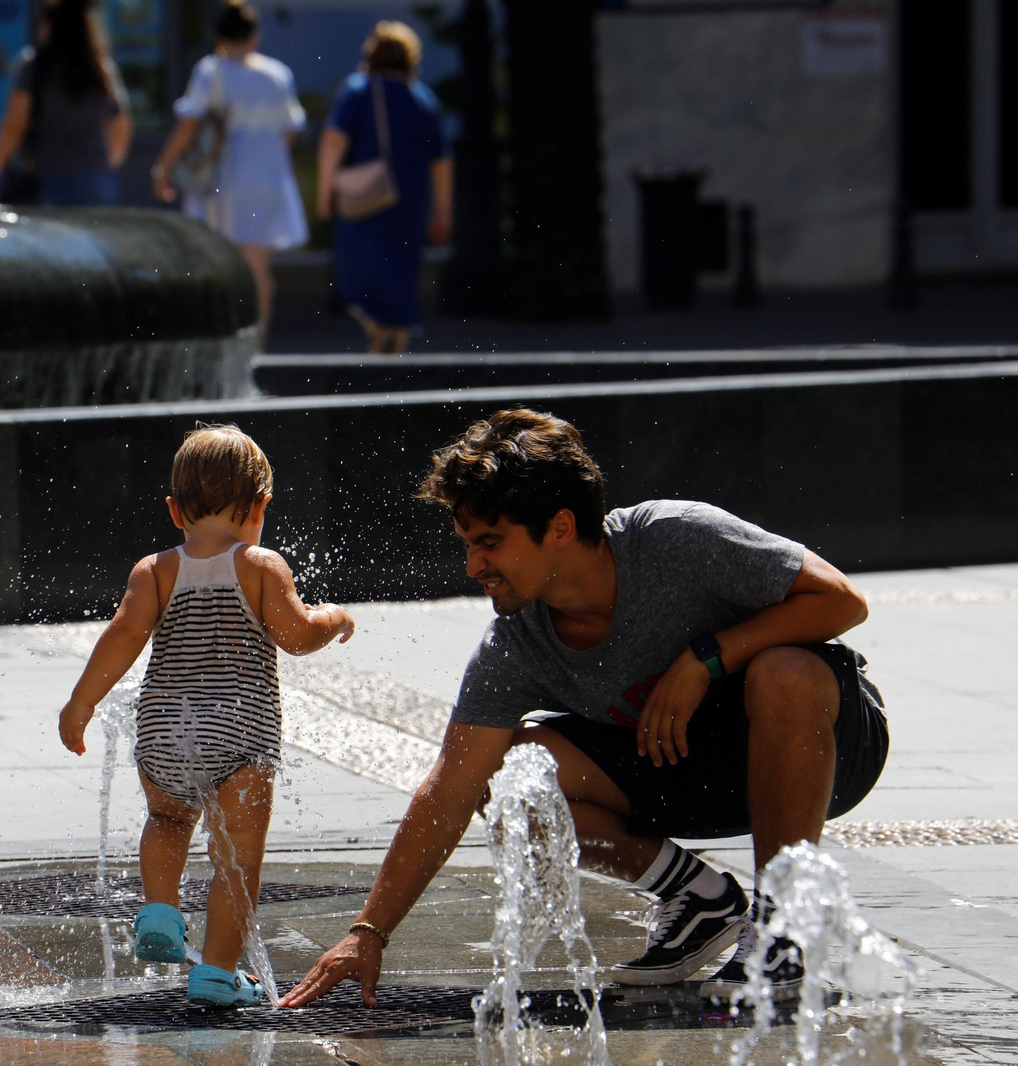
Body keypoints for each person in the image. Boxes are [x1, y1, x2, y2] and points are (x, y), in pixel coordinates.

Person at [281, 409, 889, 1009]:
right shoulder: (519, 644)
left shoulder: (676, 539)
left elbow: (843, 601)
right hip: (693, 770)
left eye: (490, 543)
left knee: (786, 671)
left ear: (562, 527)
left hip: (826, 745)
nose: (473, 567)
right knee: (510, 775)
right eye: (468, 545)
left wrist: (705, 659)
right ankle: (698, 899)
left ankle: (783, 927)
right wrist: (369, 933)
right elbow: (448, 789)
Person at [58, 424, 355, 1007]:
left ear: (175, 510)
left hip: (165, 731)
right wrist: (336, 617)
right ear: (262, 504)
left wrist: (82, 701)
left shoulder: (156, 571)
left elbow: (123, 636)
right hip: (240, 738)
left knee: (167, 821)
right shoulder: (261, 565)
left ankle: (161, 914)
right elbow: (296, 635)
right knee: (237, 862)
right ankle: (217, 974)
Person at [152, 1, 308, 349]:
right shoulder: (277, 74)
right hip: (268, 178)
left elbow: (188, 126)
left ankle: (223, 341)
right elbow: (289, 131)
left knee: (219, 263)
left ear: (219, 35)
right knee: (257, 268)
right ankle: (257, 343)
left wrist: (164, 168)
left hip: (224, 181)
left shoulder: (212, 71)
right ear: (254, 36)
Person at [317, 22, 452, 354]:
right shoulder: (423, 98)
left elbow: (334, 141)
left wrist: (324, 193)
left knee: (359, 280)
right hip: (409, 205)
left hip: (364, 203)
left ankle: (377, 340)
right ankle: (395, 353)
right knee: (400, 281)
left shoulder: (358, 90)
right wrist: (443, 214)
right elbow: (441, 164)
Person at [0, 0, 131, 207]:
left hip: (48, 178)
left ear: (48, 27)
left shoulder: (34, 66)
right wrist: (102, 164)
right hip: (95, 178)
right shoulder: (100, 68)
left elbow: (14, 126)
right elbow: (121, 124)